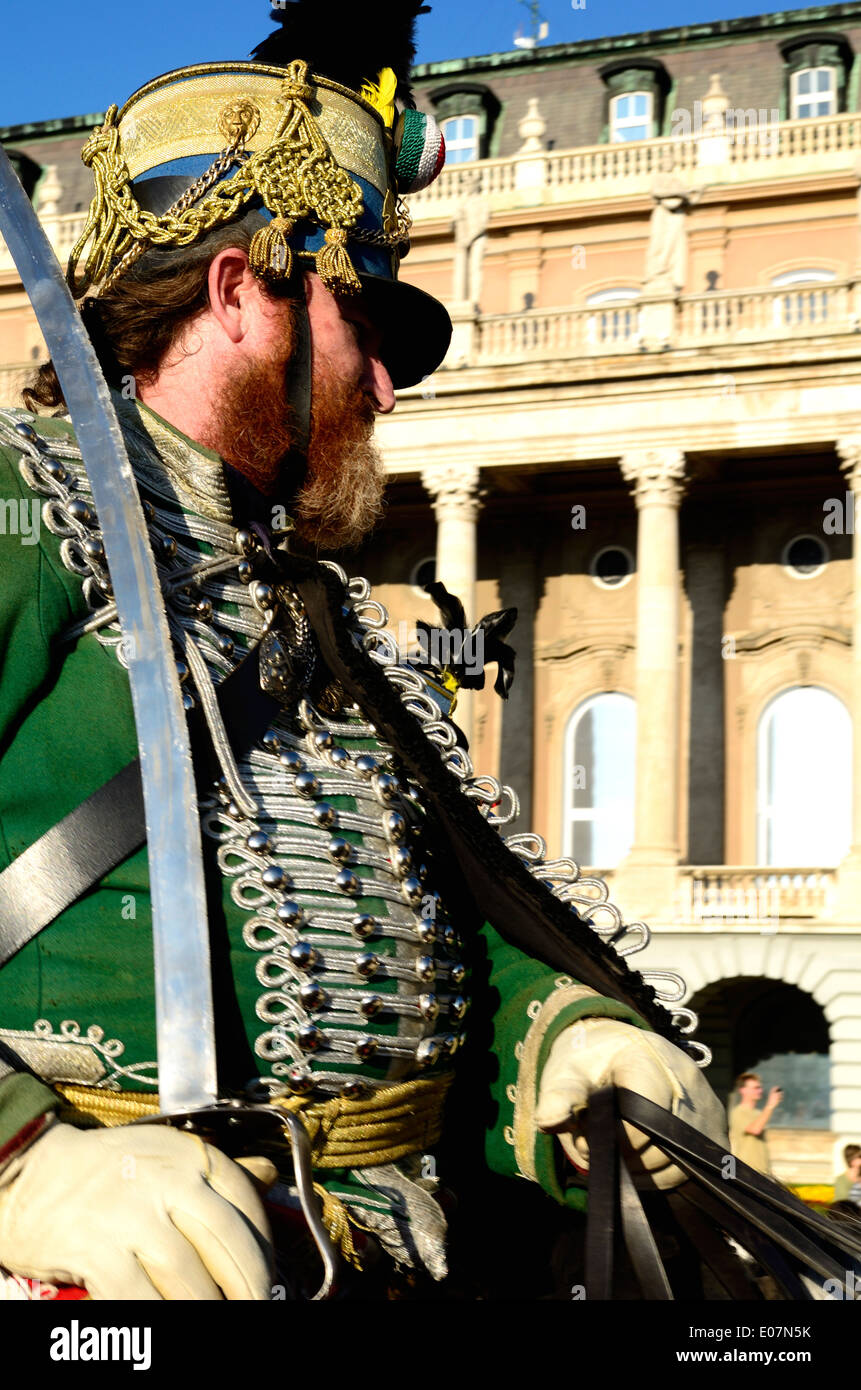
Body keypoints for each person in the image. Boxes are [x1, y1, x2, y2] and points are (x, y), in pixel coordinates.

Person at [0, 1, 837, 1303]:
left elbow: (448, 922)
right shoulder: (23, 515)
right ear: (239, 294)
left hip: (396, 1260)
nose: (391, 390)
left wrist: (566, 1032)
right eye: (363, 330)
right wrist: (26, 1159)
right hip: (114, 1281)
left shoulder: (315, 608)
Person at [729, 1072, 782, 1176]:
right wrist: (770, 1105)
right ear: (743, 1090)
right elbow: (755, 1129)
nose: (760, 1091)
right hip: (746, 1170)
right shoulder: (738, 1111)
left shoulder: (758, 1113)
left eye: (760, 1088)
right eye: (756, 1088)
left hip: (763, 1170)